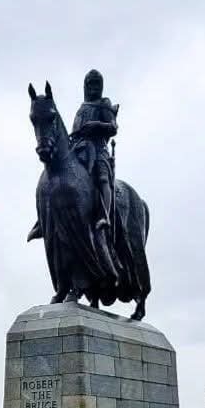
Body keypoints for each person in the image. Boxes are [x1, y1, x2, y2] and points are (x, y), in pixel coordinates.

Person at [70, 69, 119, 283]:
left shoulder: (103, 104)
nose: (92, 88)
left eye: (95, 84)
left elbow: (113, 127)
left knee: (102, 178)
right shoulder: (81, 108)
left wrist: (96, 126)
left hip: (98, 150)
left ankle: (105, 216)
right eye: (89, 84)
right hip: (79, 151)